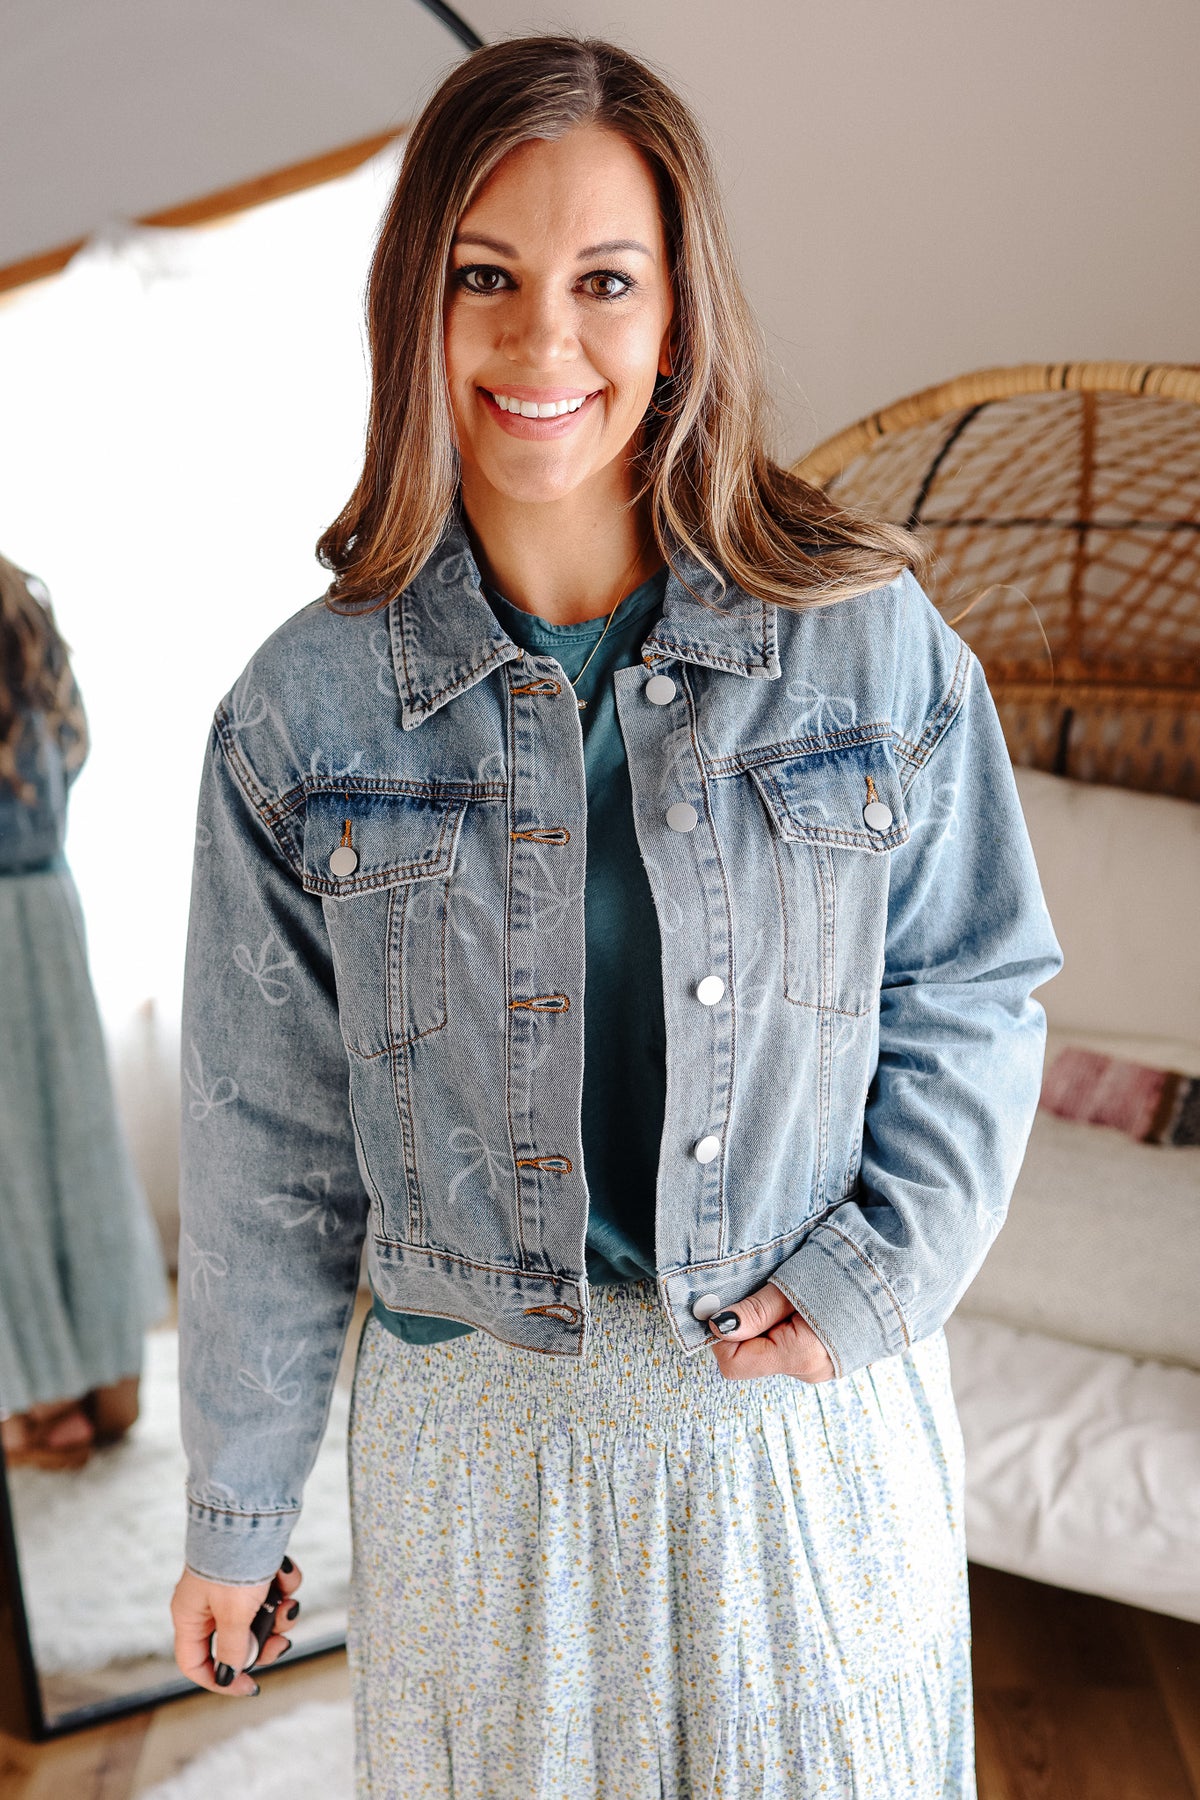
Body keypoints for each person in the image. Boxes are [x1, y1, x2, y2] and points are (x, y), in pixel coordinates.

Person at [169, 35, 1062, 1796]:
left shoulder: (866, 640)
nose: (541, 342)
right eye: (484, 276)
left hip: (795, 1425)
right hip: (477, 1466)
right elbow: (266, 1145)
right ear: (415, 304)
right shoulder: (299, 716)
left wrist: (875, 1276)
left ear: (676, 315)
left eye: (603, 281)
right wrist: (238, 1505)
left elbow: (974, 983)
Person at [0, 552, 170, 1471]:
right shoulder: (21, 607)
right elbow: (70, 755)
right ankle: (102, 1383)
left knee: (11, 1169)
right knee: (74, 1143)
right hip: (48, 909)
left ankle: (40, 1397)